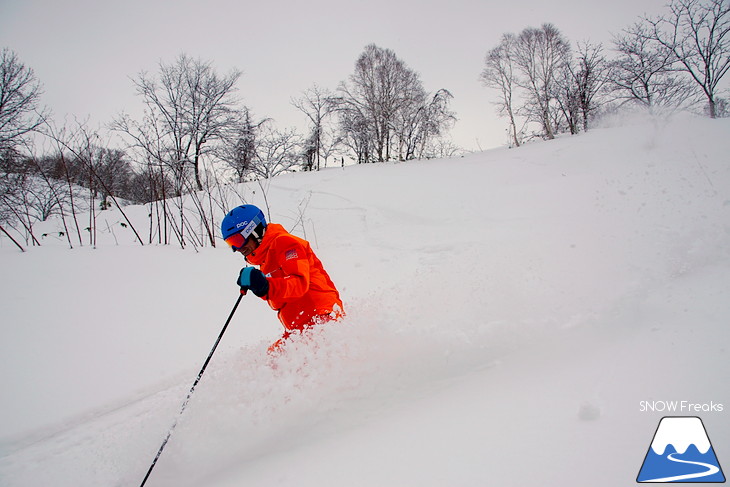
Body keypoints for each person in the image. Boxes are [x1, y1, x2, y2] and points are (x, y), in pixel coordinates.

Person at [221, 204, 344, 354]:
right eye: (231, 244)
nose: (237, 249)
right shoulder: (266, 260)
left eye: (237, 240)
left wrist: (266, 286)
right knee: (273, 358)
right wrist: (259, 285)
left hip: (321, 318)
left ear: (254, 230)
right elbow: (279, 293)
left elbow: (299, 283)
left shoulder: (285, 243)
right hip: (302, 326)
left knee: (279, 363)